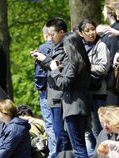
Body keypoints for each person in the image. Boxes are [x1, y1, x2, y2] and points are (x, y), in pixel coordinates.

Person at [31, 17, 72, 158]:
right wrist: (43, 60)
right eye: (48, 35)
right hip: (55, 96)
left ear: (61, 33)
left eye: (51, 35)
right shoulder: (55, 47)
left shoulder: (67, 47)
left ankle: (56, 154)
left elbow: (47, 73)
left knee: (59, 131)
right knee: (59, 130)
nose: (50, 38)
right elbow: (51, 67)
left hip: (59, 96)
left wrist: (40, 87)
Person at [49, 32, 91, 158]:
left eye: (65, 46)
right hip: (80, 106)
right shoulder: (81, 61)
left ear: (71, 46)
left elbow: (63, 84)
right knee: (80, 146)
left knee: (78, 149)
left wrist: (55, 70)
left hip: (74, 108)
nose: (64, 49)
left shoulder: (74, 63)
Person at [97, 0, 119, 105]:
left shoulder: (112, 32)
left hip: (114, 81)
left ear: (109, 12)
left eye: (104, 8)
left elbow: (111, 57)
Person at [34, 25, 56, 158]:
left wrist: (39, 87)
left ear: (45, 35)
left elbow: (40, 73)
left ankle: (54, 153)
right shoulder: (63, 46)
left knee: (50, 124)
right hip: (61, 89)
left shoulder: (43, 48)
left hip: (47, 90)